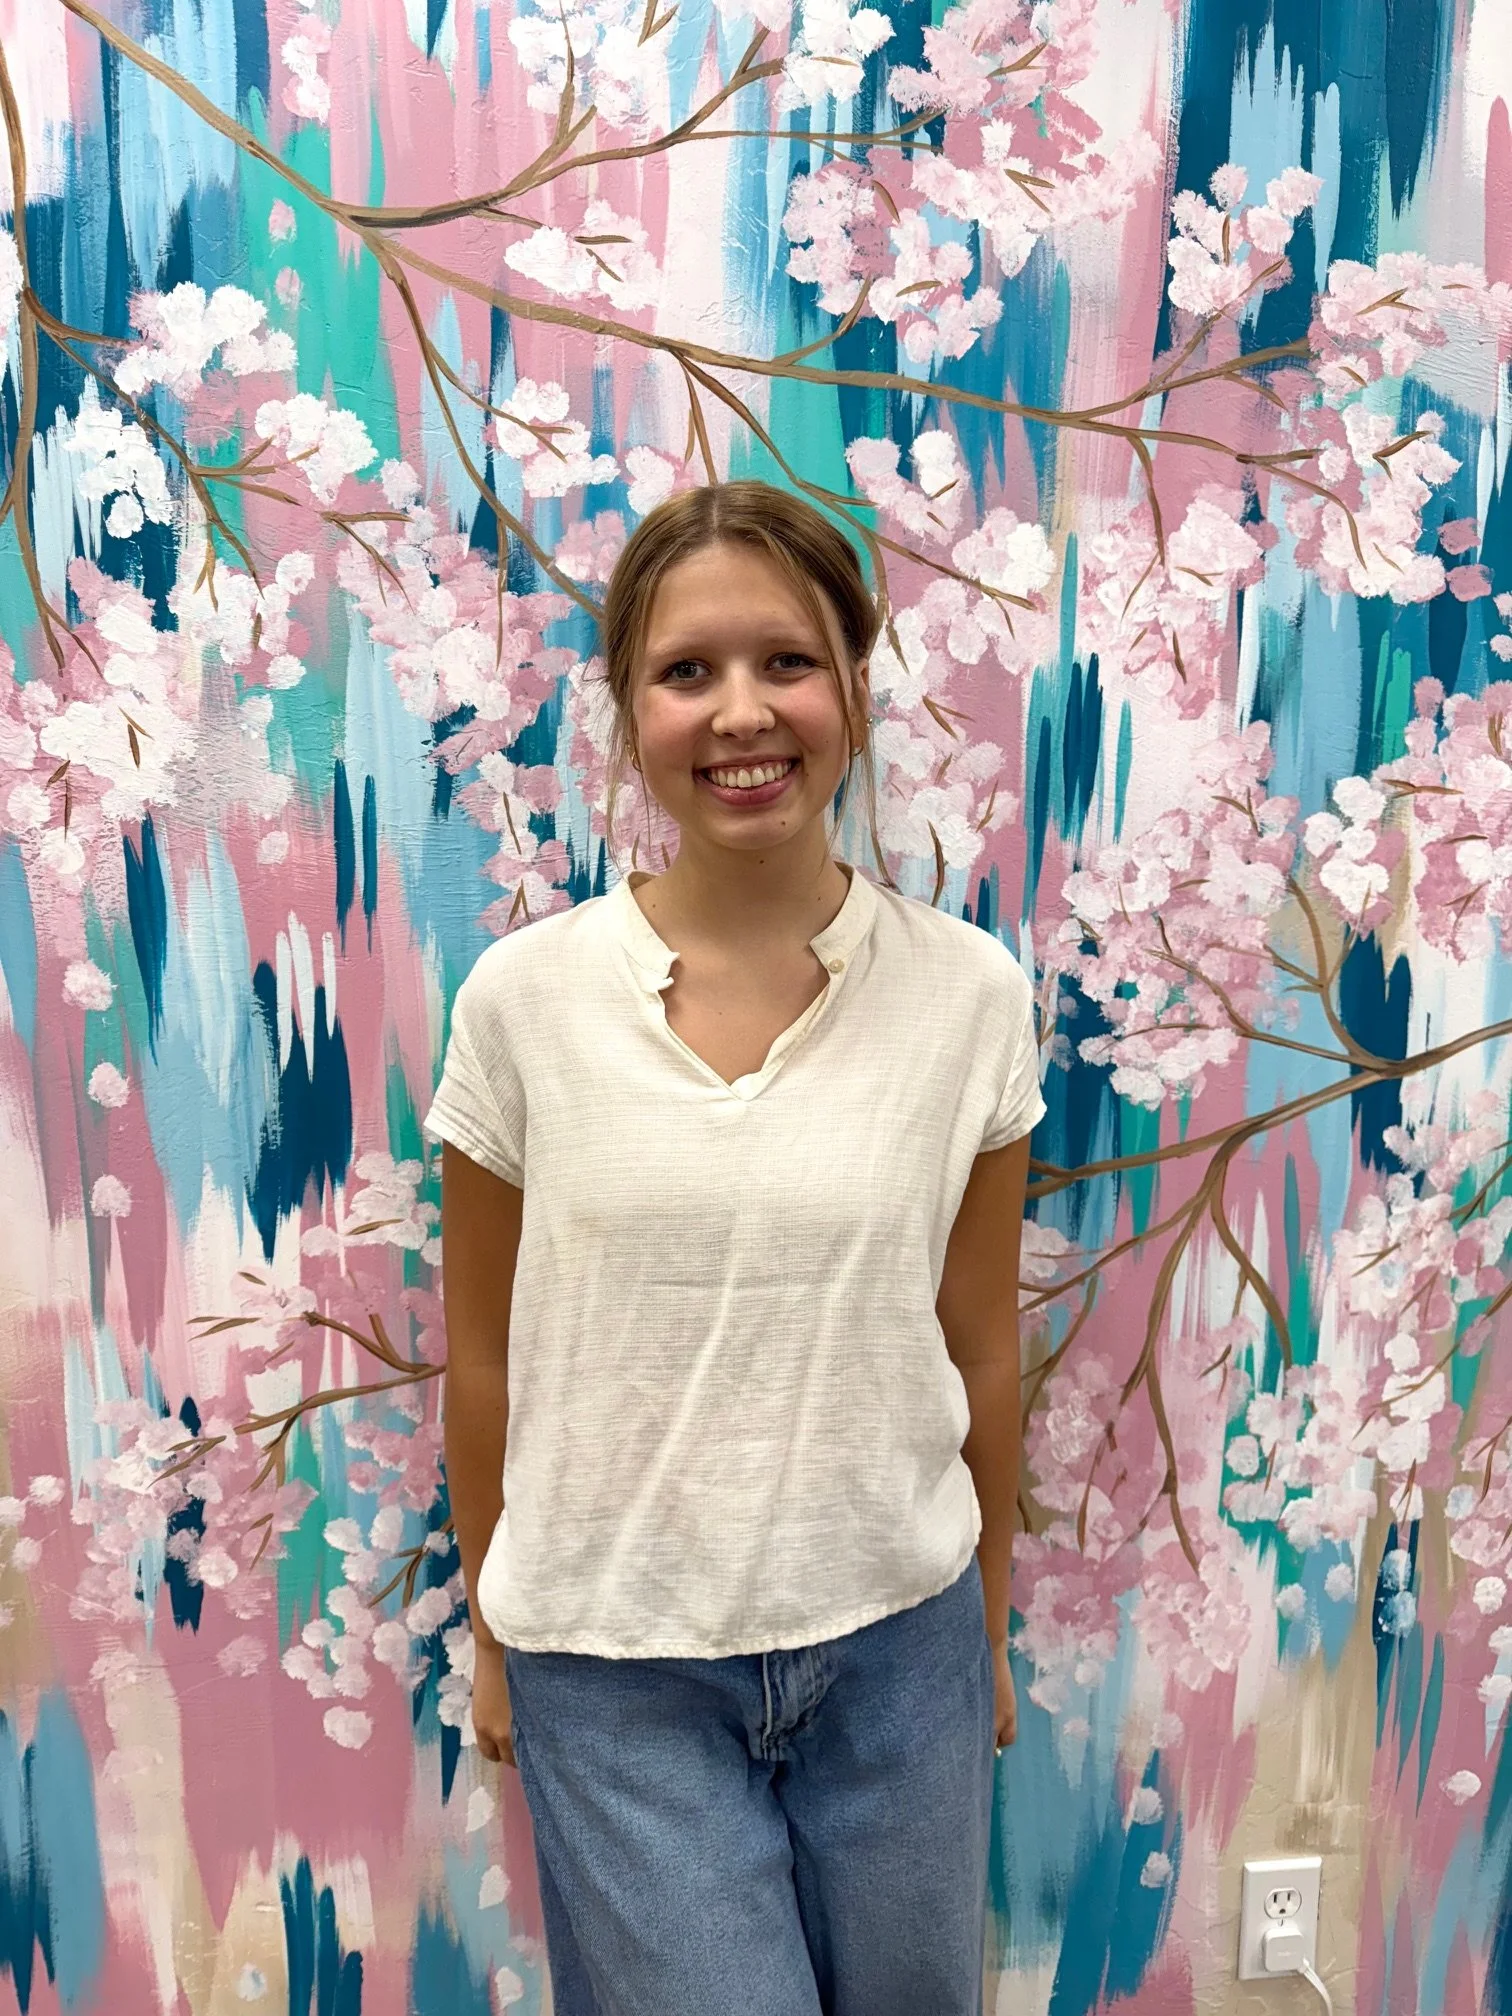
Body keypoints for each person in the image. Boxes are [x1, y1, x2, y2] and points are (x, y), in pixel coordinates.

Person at [425, 479, 1044, 2016]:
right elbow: (488, 1356)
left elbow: (980, 1349)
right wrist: (497, 1641)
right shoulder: (522, 1002)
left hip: (901, 1655)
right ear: (627, 707)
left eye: (787, 660)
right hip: (615, 1673)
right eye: (685, 670)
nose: (741, 711)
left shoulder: (969, 997)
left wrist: (989, 1627)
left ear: (854, 679)